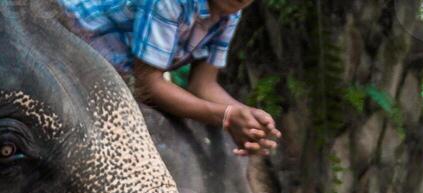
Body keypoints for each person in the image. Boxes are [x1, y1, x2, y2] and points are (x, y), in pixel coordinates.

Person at [63, 0, 282, 157]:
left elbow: (203, 84)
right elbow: (148, 83)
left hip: (112, 71)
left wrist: (247, 119)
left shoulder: (230, 14)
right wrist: (225, 116)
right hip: (63, 42)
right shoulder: (170, 2)